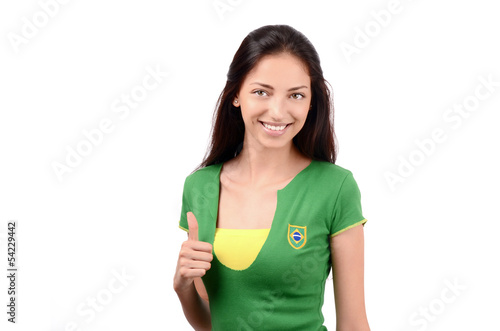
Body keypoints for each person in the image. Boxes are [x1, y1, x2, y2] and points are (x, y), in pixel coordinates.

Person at [173, 24, 370, 331]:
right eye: (261, 92)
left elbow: (354, 324)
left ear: (311, 101)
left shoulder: (335, 188)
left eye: (296, 95)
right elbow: (216, 322)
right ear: (236, 95)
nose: (278, 112)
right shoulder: (199, 187)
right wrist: (183, 288)